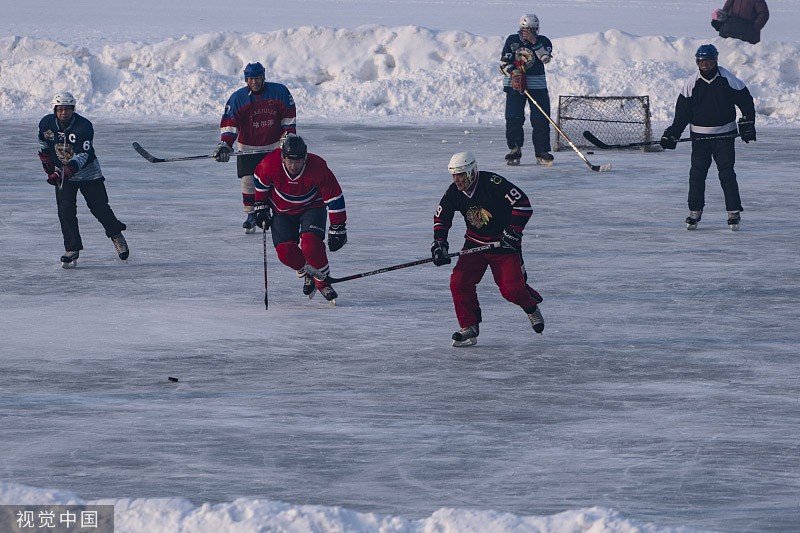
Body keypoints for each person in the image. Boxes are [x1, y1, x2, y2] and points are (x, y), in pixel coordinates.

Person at [432, 151, 544, 347]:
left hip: (503, 245)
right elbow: (442, 217)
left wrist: (513, 232)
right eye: (453, 175)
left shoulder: (493, 183)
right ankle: (469, 327)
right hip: (474, 244)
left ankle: (530, 307)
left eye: (460, 175)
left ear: (472, 172)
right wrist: (440, 243)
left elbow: (523, 205)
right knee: (458, 282)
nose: (456, 180)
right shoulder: (454, 192)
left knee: (512, 290)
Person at [660, 44, 756, 231]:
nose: (705, 65)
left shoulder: (728, 79)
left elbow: (746, 101)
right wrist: (672, 134)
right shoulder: (691, 83)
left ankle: (733, 211)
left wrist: (747, 124)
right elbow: (682, 114)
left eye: (709, 61)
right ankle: (695, 211)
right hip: (700, 138)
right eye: (702, 61)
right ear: (697, 62)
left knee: (726, 174)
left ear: (716, 61)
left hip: (724, 136)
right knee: (697, 175)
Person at [37, 92, 129, 268]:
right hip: (64, 176)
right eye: (61, 109)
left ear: (73, 109)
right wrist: (47, 163)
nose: (64, 112)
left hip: (88, 174)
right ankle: (72, 249)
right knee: (65, 211)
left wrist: (65, 171)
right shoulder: (46, 123)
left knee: (100, 208)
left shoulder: (84, 126)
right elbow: (42, 143)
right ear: (55, 110)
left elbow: (83, 155)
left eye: (68, 109)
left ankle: (116, 234)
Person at [252, 134, 347, 303]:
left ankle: (323, 282)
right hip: (282, 210)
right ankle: (308, 272)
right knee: (284, 252)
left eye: (298, 161)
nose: (294, 166)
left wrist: (338, 227)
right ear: (283, 157)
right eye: (290, 161)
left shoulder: (318, 167)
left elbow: (334, 197)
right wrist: (260, 205)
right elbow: (260, 182)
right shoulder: (270, 163)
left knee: (311, 245)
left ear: (305, 158)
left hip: (312, 207)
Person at [213, 62, 297, 234]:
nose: (255, 82)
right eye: (251, 79)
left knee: (276, 181)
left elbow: (288, 116)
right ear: (246, 79)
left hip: (274, 145)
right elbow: (230, 123)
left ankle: (278, 211)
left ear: (263, 77)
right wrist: (226, 144)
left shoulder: (279, 92)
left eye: (257, 78)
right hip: (248, 146)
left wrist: (288, 136)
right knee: (248, 181)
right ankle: (251, 215)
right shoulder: (238, 98)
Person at [500, 13, 554, 167]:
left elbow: (545, 58)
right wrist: (514, 72)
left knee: (541, 119)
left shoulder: (544, 41)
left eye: (534, 29)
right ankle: (515, 148)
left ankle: (542, 151)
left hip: (537, 86)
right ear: (521, 28)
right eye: (527, 29)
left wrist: (534, 42)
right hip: (515, 85)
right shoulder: (512, 40)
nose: (530, 32)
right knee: (514, 117)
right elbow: (503, 63)